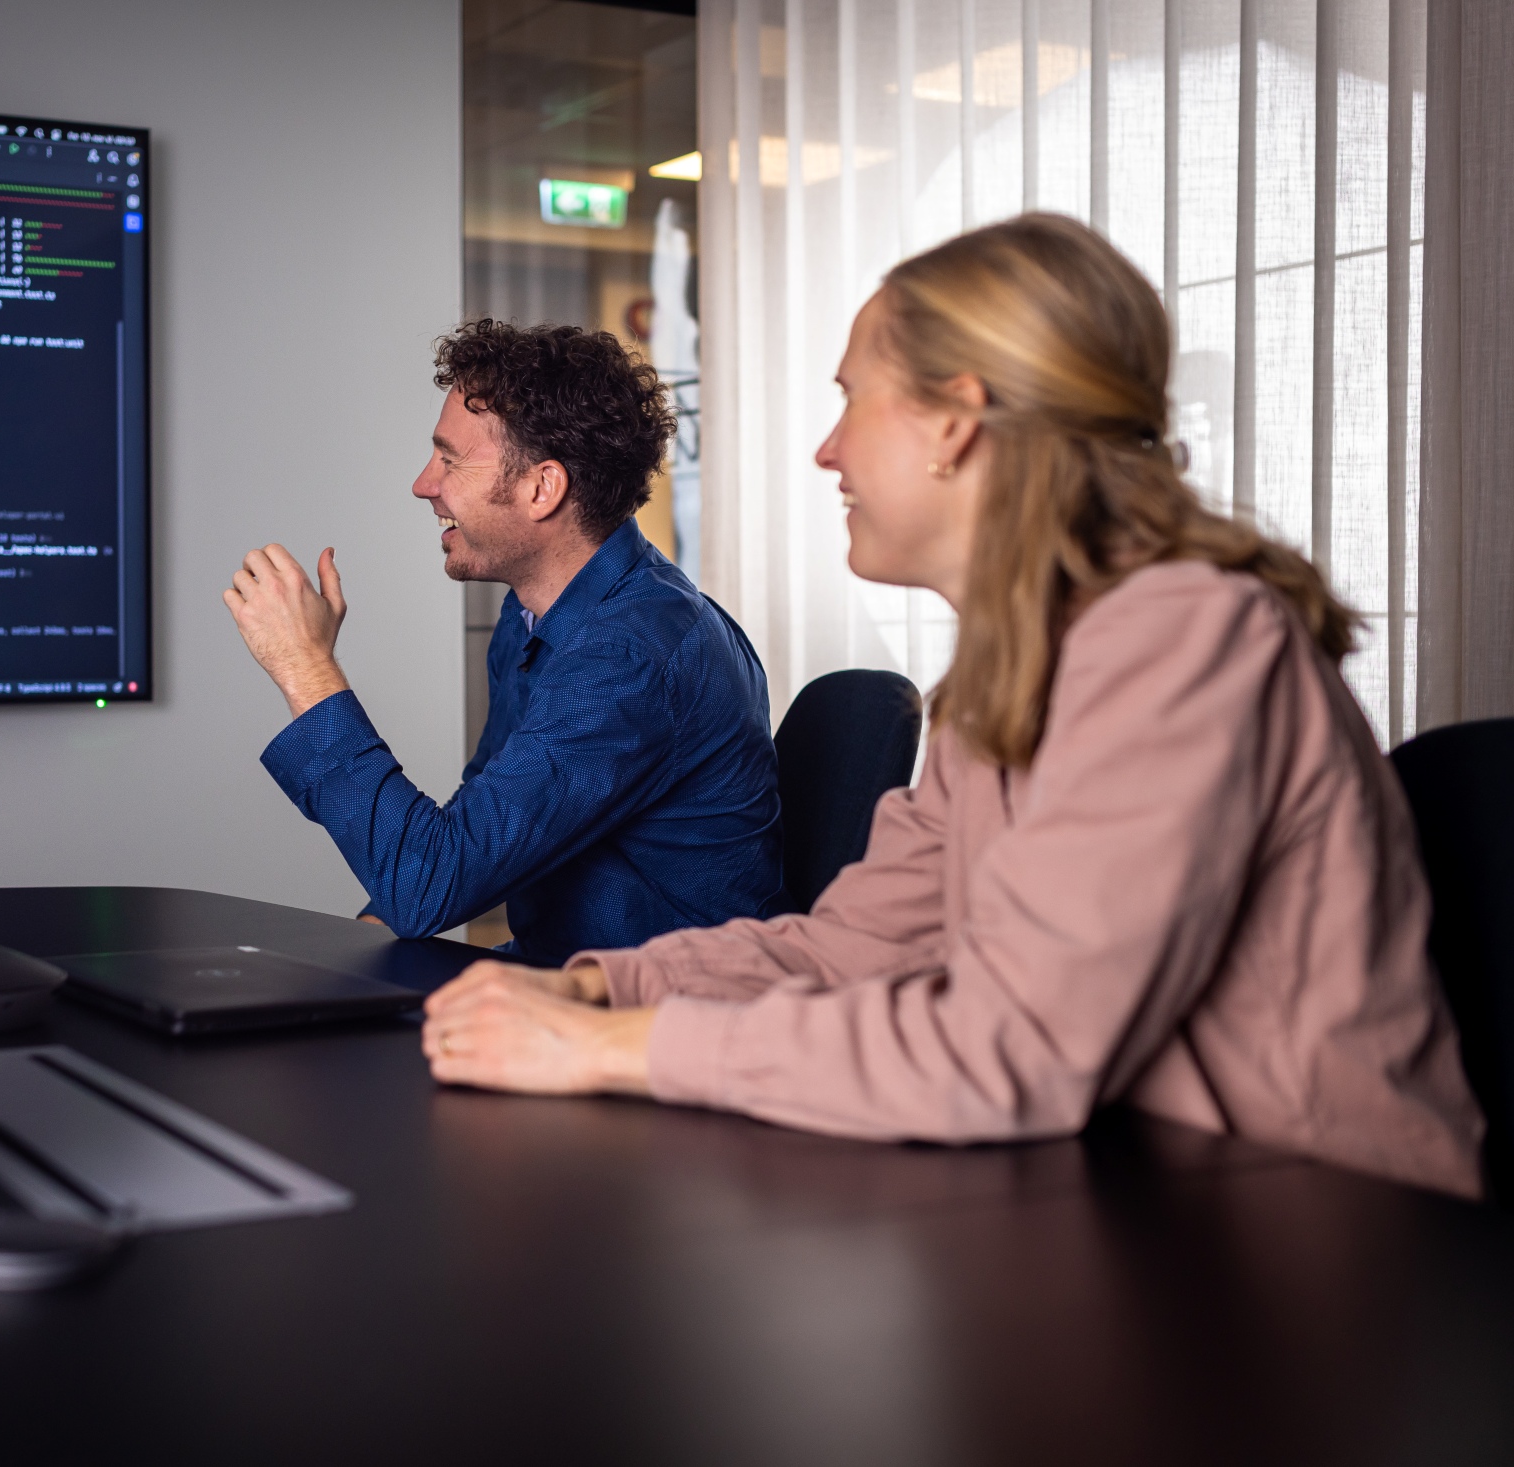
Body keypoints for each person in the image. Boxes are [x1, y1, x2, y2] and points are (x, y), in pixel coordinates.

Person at [418, 214, 1484, 1198]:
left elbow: (1008, 1048)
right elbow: (846, 951)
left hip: (1324, 1252)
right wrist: (600, 992)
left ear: (956, 423)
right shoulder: (1016, 669)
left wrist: (613, 1052)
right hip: (1134, 1204)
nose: (826, 450)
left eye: (849, 398)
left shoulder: (1184, 639)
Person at [223, 322, 783, 966]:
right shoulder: (531, 619)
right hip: (562, 984)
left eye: (450, 460)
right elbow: (475, 841)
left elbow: (434, 882)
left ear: (542, 489)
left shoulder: (630, 656)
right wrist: (357, 948)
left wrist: (305, 667)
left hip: (655, 1026)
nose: (423, 484)